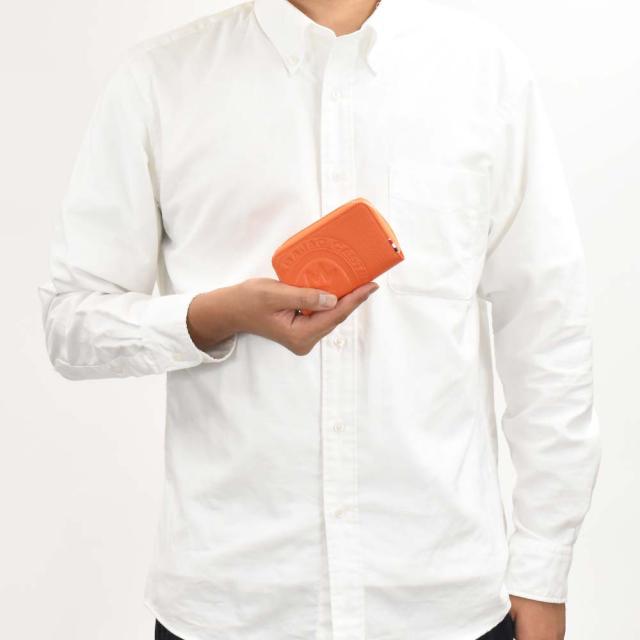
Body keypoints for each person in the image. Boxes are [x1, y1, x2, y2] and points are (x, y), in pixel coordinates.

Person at [37, 0, 601, 638]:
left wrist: (543, 570)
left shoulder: (484, 72)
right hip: (231, 608)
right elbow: (71, 321)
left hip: (441, 602)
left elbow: (547, 330)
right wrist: (214, 316)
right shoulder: (160, 80)